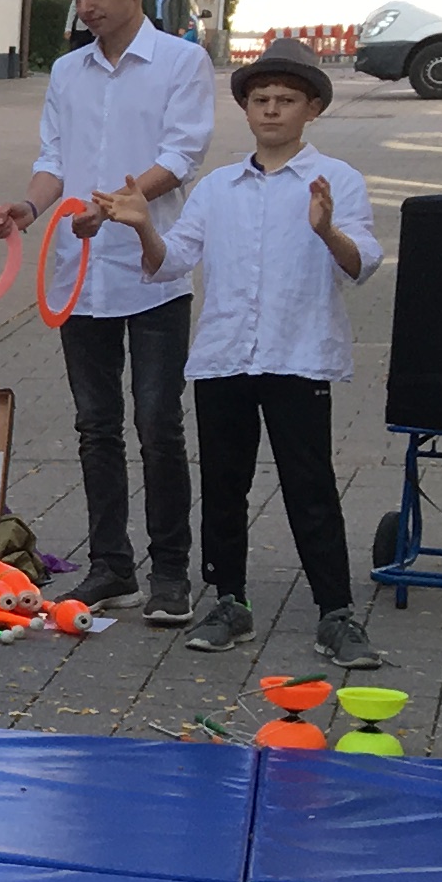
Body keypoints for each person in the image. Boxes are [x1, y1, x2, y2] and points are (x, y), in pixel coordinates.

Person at [98, 48, 384, 668]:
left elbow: (362, 264)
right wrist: (143, 225)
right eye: (260, 100)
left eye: (286, 100)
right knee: (224, 486)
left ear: (312, 109)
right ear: (247, 110)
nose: (272, 110)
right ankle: (230, 601)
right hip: (225, 356)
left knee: (310, 486)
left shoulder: (335, 180)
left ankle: (336, 612)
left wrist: (327, 230)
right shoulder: (217, 187)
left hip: (298, 355)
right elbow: (170, 263)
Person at [0, 0, 213, 621]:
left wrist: (113, 205)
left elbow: (181, 155)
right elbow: (54, 159)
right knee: (96, 425)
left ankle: (170, 570)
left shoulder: (181, 61)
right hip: (78, 271)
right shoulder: (67, 71)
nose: (85, 5)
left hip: (152, 267)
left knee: (157, 423)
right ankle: (112, 565)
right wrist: (28, 208)